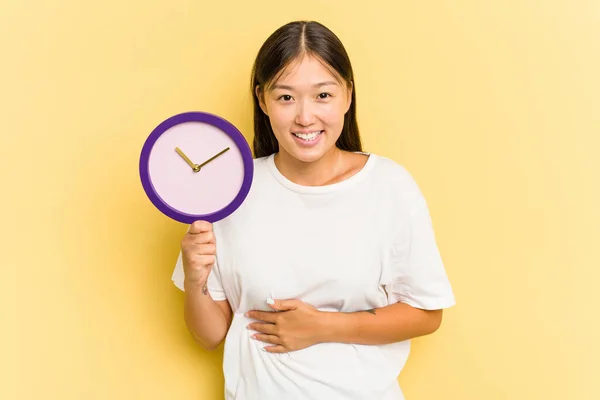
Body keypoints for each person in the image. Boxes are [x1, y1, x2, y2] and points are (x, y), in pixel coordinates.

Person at [171, 20, 455, 400]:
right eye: (286, 97)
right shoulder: (231, 190)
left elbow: (426, 313)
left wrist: (322, 326)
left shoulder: (388, 186)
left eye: (323, 95)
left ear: (347, 95)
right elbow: (211, 336)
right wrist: (195, 277)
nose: (305, 117)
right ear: (262, 99)